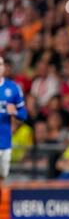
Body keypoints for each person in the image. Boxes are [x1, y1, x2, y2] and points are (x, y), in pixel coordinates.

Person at [0, 56, 27, 189]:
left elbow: (24, 114)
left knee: (3, 176)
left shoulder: (13, 88)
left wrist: (15, 112)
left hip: (5, 142)